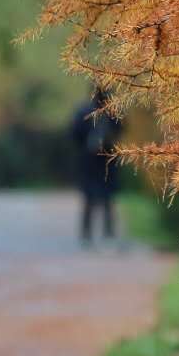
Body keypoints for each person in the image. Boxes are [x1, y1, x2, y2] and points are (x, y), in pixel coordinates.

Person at [71, 85, 124, 247]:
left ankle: (100, 235)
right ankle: (93, 235)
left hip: (102, 160)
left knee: (102, 200)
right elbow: (74, 134)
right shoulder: (87, 112)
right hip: (94, 161)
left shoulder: (94, 111)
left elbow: (120, 128)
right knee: (94, 199)